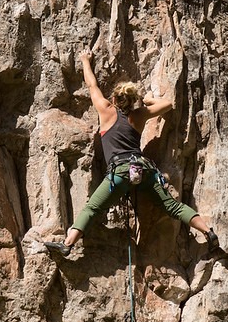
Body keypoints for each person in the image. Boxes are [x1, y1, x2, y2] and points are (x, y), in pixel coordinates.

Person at [44, 49, 219, 257]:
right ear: (132, 100)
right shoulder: (139, 115)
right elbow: (168, 105)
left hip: (119, 172)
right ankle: (208, 232)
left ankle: (68, 244)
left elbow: (92, 85)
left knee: (92, 208)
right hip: (143, 169)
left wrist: (84, 60)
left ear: (115, 99)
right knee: (172, 206)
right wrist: (147, 100)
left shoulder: (106, 110)